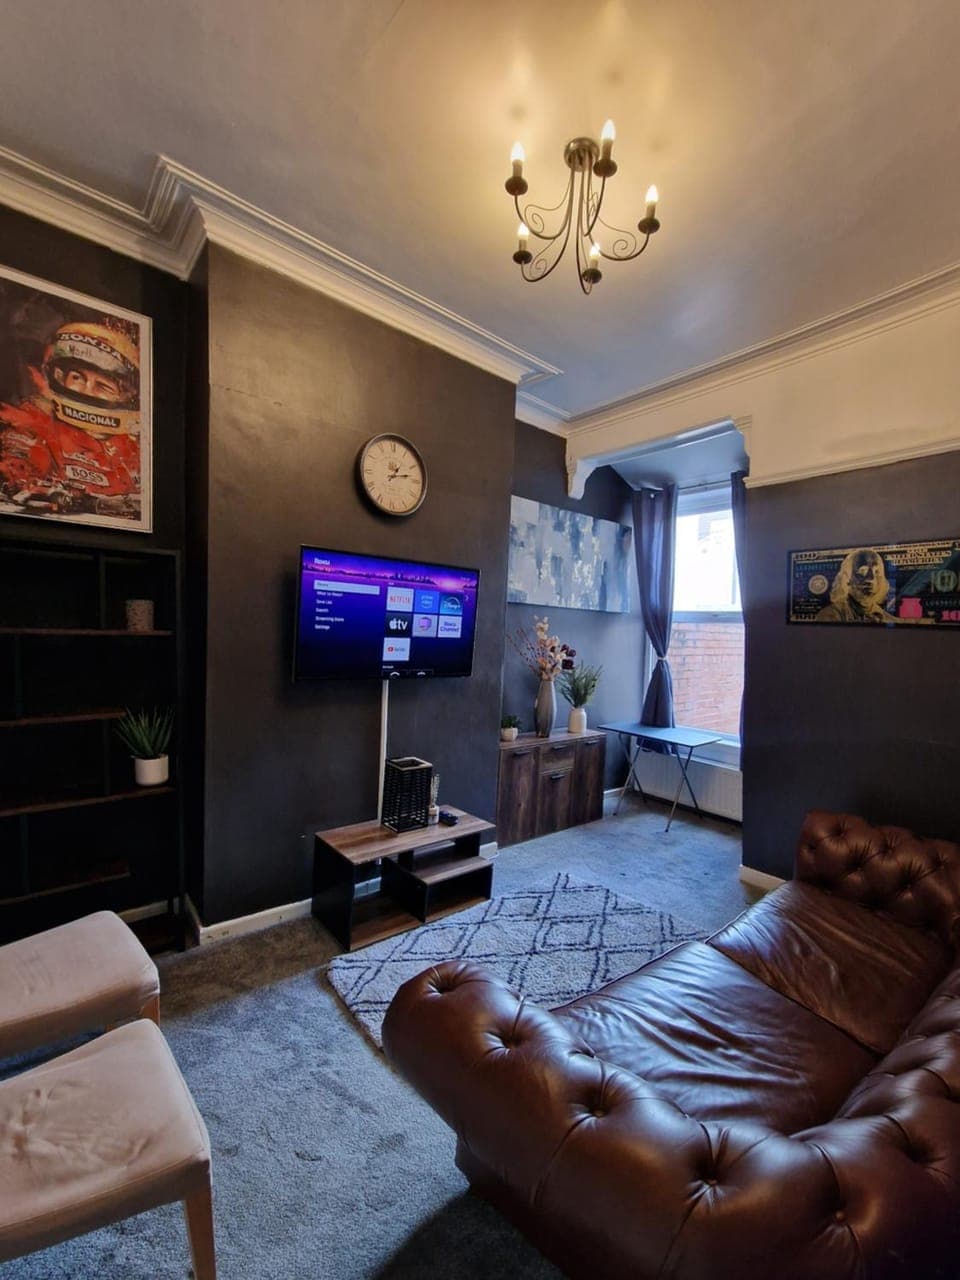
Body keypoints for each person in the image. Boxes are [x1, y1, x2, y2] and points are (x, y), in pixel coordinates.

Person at [0, 319, 141, 520]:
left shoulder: (134, 447)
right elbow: (17, 469)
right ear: (60, 377)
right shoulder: (34, 422)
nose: (86, 390)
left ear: (124, 397)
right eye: (77, 377)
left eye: (102, 386)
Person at [815, 548, 898, 623]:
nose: (871, 578)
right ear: (847, 578)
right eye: (862, 571)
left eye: (877, 572)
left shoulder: (891, 620)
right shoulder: (829, 615)